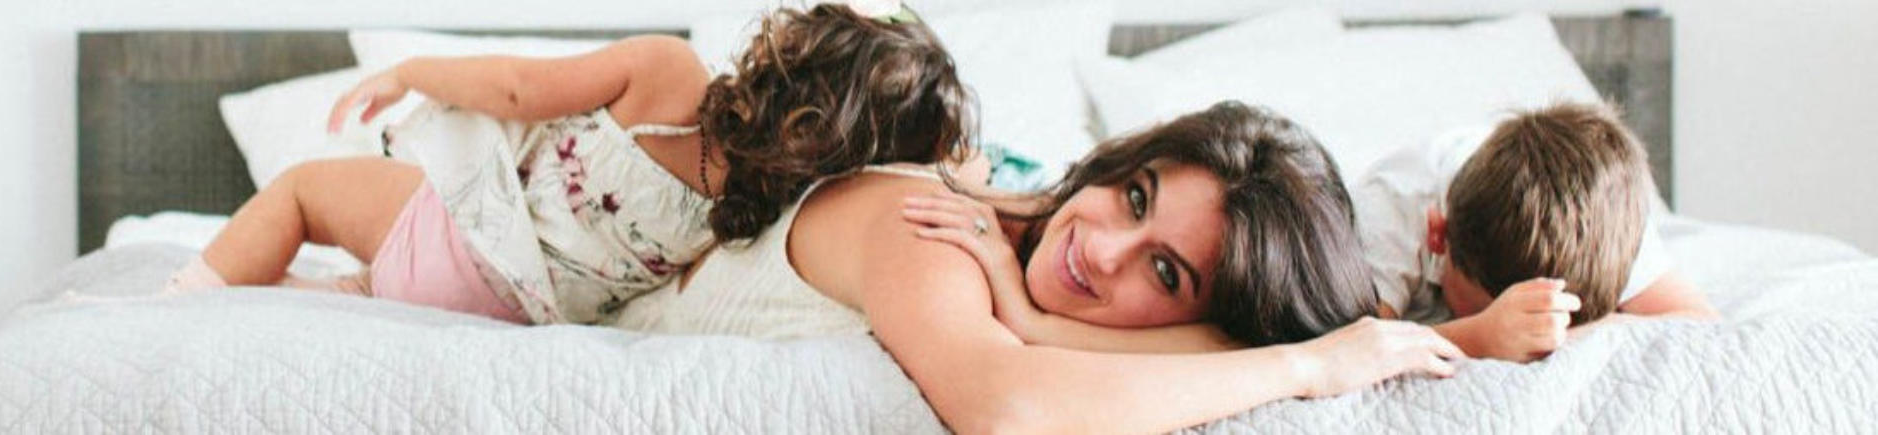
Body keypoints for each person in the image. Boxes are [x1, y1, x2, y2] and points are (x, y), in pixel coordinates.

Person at [608, 101, 1464, 433]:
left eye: (1166, 273)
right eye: (1135, 196)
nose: (1101, 247)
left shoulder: (1034, 272)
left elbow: (1227, 345)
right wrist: (1308, 367)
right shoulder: (936, 228)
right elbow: (1005, 406)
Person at [166, 3, 978, 326]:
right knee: (359, 286)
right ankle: (282, 300)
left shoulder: (670, 74)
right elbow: (956, 169)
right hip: (515, 313)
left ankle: (177, 303)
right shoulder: (771, 206)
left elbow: (517, 88)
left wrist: (411, 70)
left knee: (303, 191)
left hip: (462, 244)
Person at [1354, 102, 1718, 362]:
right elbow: (1353, 345)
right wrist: (1479, 335)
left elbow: (1701, 324)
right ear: (1438, 235)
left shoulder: (1606, 216)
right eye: (1482, 307)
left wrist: (1575, 330)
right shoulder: (1392, 210)